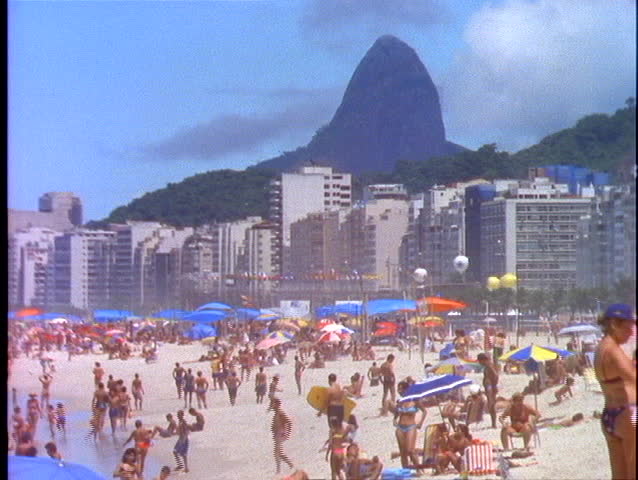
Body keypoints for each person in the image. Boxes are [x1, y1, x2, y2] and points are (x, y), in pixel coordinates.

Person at [594, 303, 636, 480]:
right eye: (628, 328)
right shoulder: (613, 349)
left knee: (619, 476)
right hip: (629, 415)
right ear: (613, 324)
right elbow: (633, 378)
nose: (631, 333)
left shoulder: (601, 348)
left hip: (609, 416)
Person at [392, 380, 426, 475]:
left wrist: (420, 423)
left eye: (401, 389)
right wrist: (394, 419)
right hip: (400, 427)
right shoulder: (400, 401)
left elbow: (424, 411)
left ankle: (419, 469)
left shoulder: (415, 400)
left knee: (411, 450)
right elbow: (396, 412)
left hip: (411, 426)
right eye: (398, 389)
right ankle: (405, 471)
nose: (399, 391)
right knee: (403, 452)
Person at [271, 397, 294, 474]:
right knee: (278, 452)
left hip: (280, 433)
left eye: (273, 403)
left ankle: (278, 470)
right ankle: (290, 464)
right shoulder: (277, 413)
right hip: (277, 434)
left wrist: (288, 433)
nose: (272, 405)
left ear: (277, 404)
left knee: (277, 452)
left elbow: (289, 422)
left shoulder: (280, 413)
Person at [477, 352, 499, 428]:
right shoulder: (488, 366)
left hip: (490, 388)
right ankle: (493, 424)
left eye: (479, 361)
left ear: (483, 360)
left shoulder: (489, 366)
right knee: (491, 406)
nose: (479, 363)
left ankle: (494, 424)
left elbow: (495, 376)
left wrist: (493, 385)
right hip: (489, 387)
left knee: (491, 405)